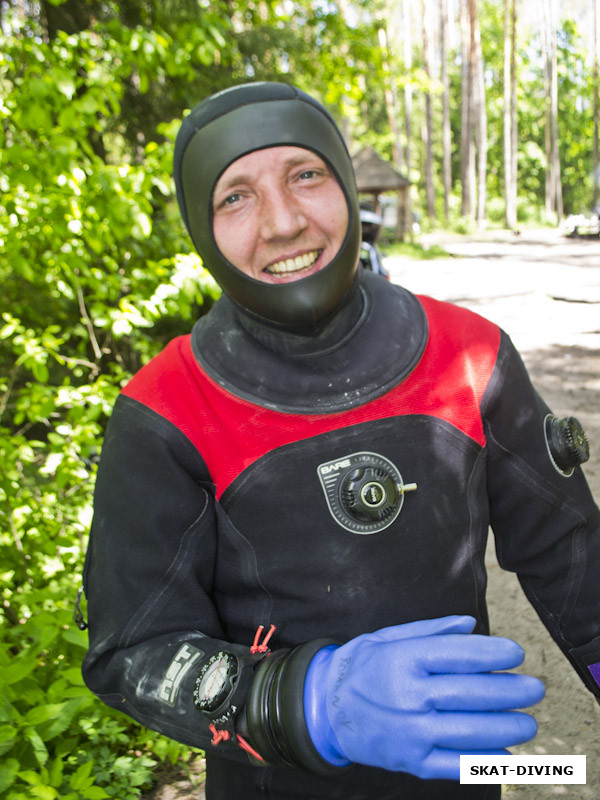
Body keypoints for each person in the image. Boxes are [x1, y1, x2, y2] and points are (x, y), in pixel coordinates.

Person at [80, 82, 600, 800]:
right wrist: (308, 701)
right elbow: (129, 651)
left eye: (305, 175)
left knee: (561, 776)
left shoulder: (471, 354)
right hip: (272, 786)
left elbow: (575, 563)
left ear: (349, 188)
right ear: (200, 229)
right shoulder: (164, 409)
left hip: (468, 774)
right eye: (236, 196)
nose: (284, 222)